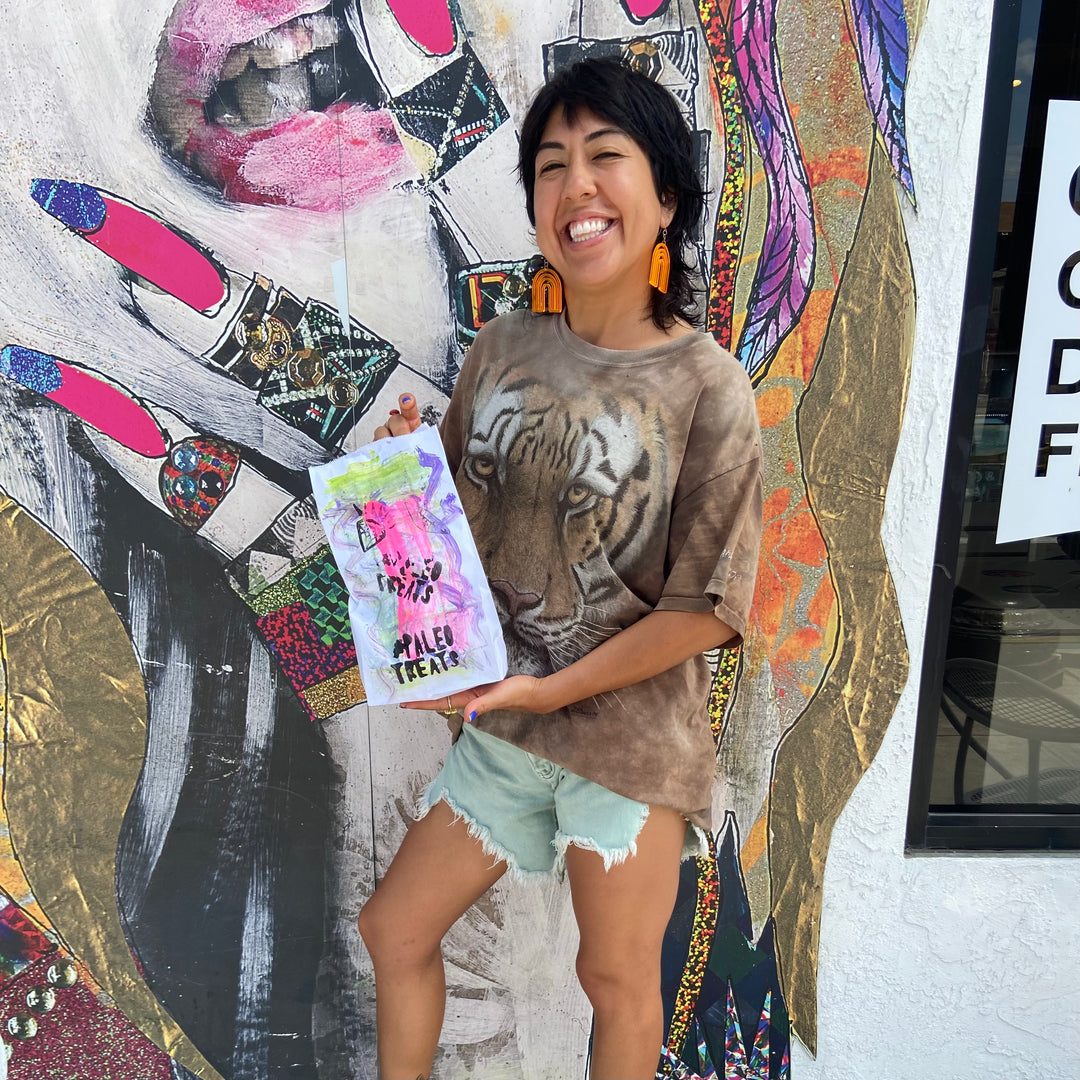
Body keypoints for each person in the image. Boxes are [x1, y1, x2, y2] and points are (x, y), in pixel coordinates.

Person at [358, 57, 763, 1080]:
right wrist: (407, 481)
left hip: (628, 747)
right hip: (507, 725)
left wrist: (550, 685)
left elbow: (704, 613)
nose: (574, 185)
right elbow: (450, 531)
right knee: (394, 932)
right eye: (549, 164)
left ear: (665, 197)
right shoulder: (501, 349)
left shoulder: (708, 387)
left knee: (617, 986)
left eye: (605, 156)